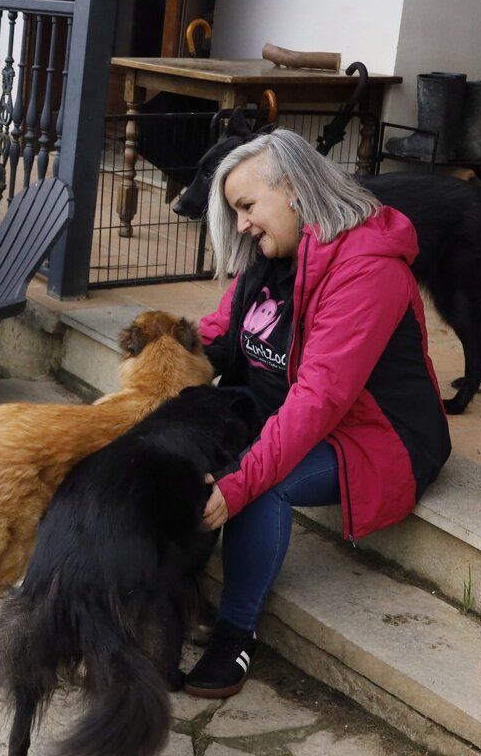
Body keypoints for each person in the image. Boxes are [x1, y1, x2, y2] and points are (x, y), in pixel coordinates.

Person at [184, 130, 451, 698]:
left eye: (247, 207)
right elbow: (218, 332)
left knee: (264, 484)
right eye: (235, 212)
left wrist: (236, 486)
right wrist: (156, 376)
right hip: (281, 407)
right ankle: (173, 587)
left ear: (296, 193)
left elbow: (319, 401)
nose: (242, 226)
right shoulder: (272, 257)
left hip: (373, 437)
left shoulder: (367, 270)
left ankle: (235, 631)